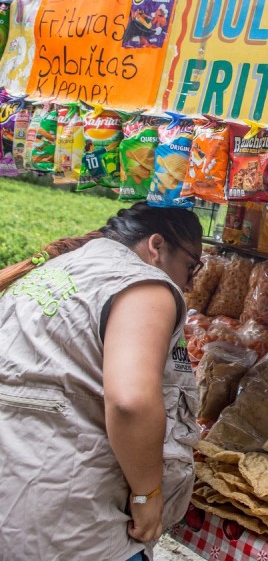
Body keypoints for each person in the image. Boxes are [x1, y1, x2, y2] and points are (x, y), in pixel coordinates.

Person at [0, 202, 203, 561]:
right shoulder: (144, 285)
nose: (189, 282)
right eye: (190, 266)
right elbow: (131, 402)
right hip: (74, 527)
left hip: (15, 506)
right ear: (156, 246)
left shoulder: (53, 270)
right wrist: (147, 496)